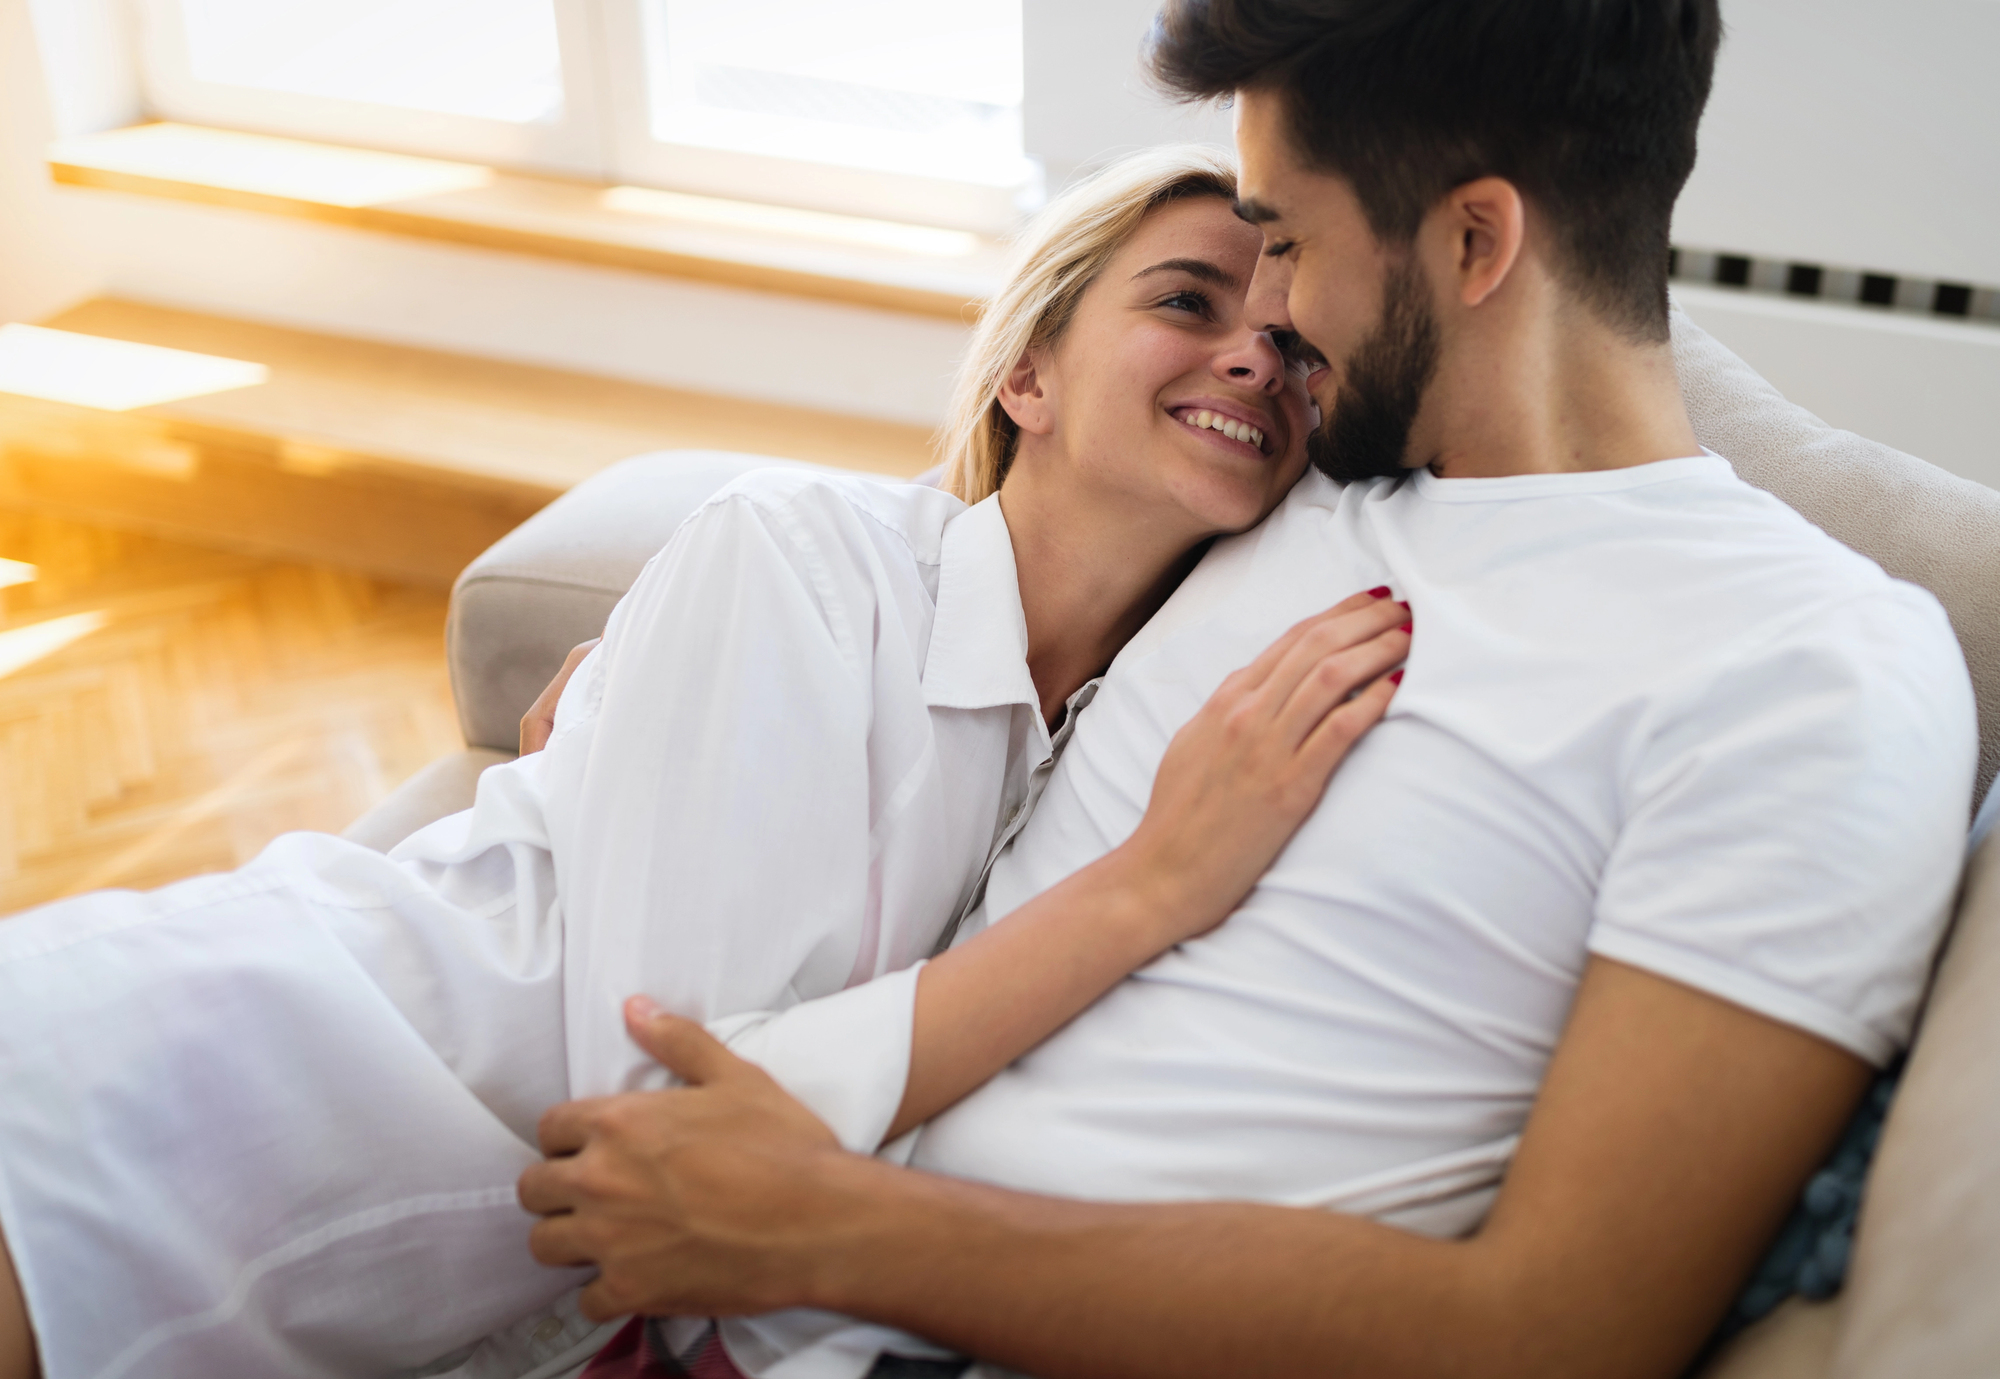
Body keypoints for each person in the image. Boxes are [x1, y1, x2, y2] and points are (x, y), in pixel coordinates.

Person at [516, 2, 1978, 1377]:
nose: (1271, 316)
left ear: (1476, 243)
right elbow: (966, 586)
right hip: (719, 1292)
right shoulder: (1281, 490)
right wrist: (666, 689)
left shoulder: (1810, 668)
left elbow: (1554, 1336)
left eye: (1284, 240)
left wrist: (829, 1230)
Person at [0, 148, 1416, 1379]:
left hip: (353, 1287)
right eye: (1188, 300)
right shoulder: (800, 558)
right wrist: (1148, 888)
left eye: (1293, 347)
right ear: (1027, 375)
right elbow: (668, 1142)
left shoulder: (1113, 740)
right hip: (172, 1097)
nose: (1252, 355)